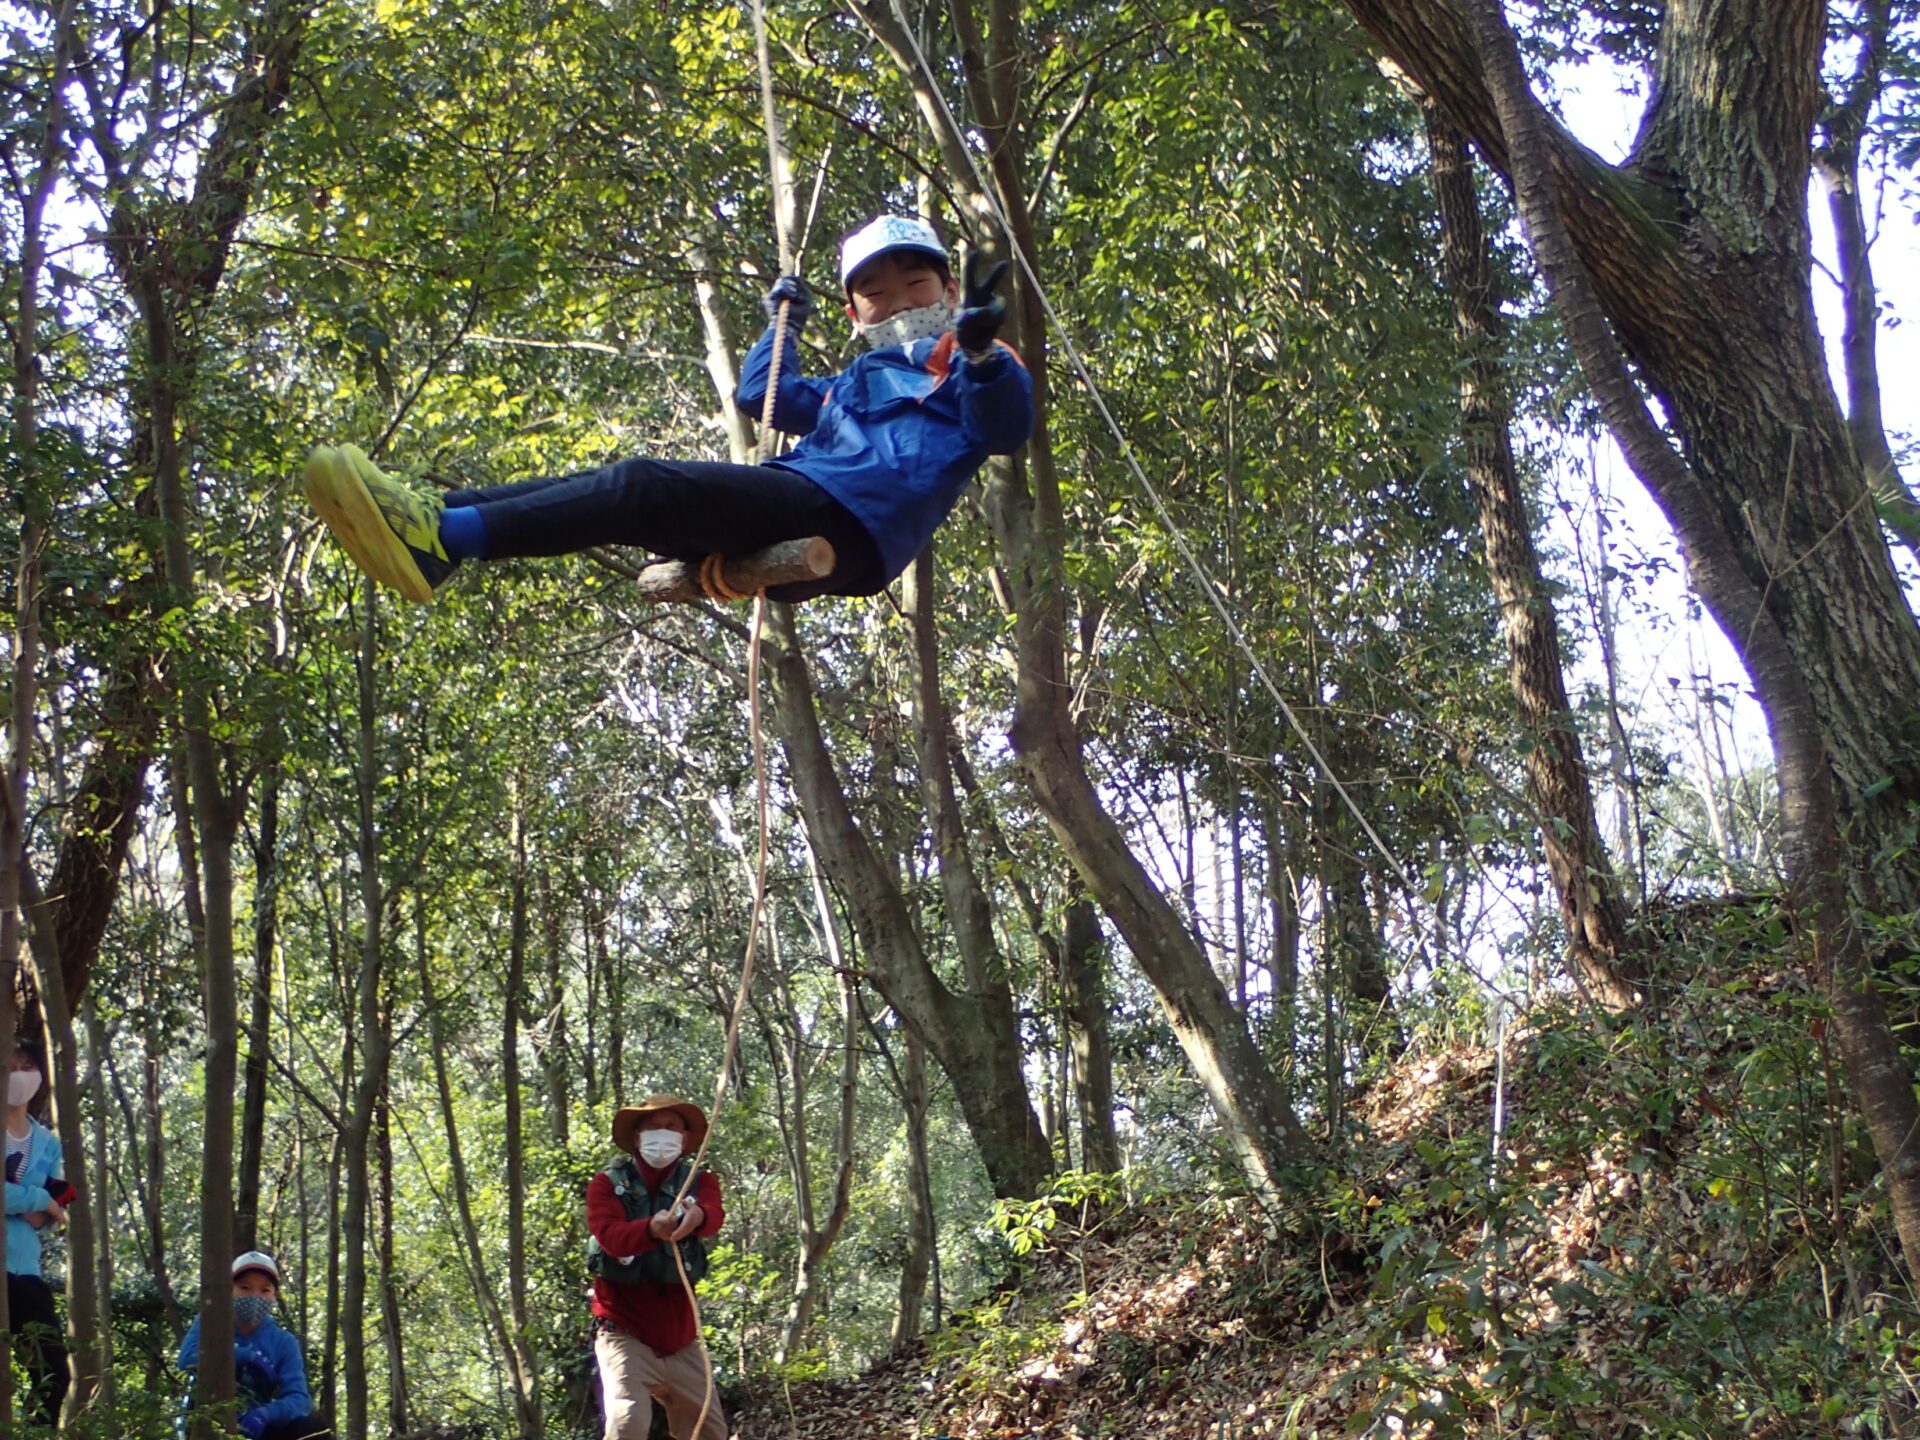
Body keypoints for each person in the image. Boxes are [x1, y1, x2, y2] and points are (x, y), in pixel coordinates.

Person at [304, 213, 1034, 604]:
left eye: (917, 284)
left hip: (852, 523)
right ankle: (438, 524)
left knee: (643, 485)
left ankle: (448, 536)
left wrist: (979, 353)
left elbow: (1002, 429)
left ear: (947, 291)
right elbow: (764, 397)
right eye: (878, 291)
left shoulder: (973, 365)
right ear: (855, 310)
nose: (901, 301)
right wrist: (782, 324)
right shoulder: (852, 383)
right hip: (806, 501)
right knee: (627, 494)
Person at [586, 1094, 726, 1440]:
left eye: (672, 1128)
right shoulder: (606, 1184)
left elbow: (713, 1215)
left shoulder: (700, 1181)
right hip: (624, 1332)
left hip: (681, 1338)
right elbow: (610, 1235)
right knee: (628, 1424)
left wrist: (699, 1215)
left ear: (684, 1138)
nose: (663, 1135)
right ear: (637, 1137)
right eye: (653, 1127)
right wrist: (649, 1230)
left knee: (709, 1431)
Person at [177, 1252, 330, 1440]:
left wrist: (266, 1414)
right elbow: (186, 1359)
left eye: (265, 1290)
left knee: (316, 1430)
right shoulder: (210, 1323)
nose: (255, 1296)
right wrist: (242, 1356)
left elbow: (299, 1399)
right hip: (210, 1420)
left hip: (257, 1427)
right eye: (245, 1288)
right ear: (229, 1290)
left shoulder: (283, 1342)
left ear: (275, 1296)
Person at [5, 1033, 72, 1429]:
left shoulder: (47, 1142)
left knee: (54, 1374)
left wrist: (38, 1203)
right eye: (9, 1069)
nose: (18, 1077)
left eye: (26, 1068)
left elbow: (55, 1207)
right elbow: (42, 1202)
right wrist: (37, 1199)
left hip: (26, 1272)